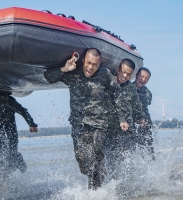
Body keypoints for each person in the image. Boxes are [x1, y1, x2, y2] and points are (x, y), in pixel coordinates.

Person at [44, 49, 128, 190]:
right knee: (83, 162)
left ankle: (95, 192)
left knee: (95, 156)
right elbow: (48, 77)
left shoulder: (105, 75)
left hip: (99, 124)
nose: (90, 67)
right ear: (83, 61)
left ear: (99, 64)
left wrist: (122, 119)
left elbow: (118, 96)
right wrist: (64, 69)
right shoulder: (72, 73)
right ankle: (98, 174)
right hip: (79, 124)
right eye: (88, 63)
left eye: (94, 64)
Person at [105, 59, 147, 180]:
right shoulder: (108, 82)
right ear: (118, 69)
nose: (125, 76)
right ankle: (112, 184)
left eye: (129, 74)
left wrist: (141, 118)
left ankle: (127, 183)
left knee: (126, 159)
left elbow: (136, 106)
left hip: (126, 130)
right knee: (111, 160)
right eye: (123, 72)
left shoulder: (130, 88)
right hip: (110, 129)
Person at [133, 67, 155, 159]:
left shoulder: (147, 93)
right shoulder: (127, 88)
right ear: (136, 75)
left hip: (144, 126)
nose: (143, 80)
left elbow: (144, 108)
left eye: (146, 78)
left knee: (149, 151)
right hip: (131, 125)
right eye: (142, 76)